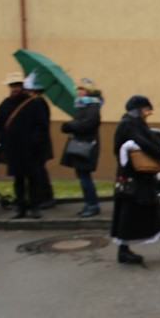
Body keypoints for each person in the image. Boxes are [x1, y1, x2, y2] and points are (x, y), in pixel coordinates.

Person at [111, 95, 160, 264]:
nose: (148, 113)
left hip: (143, 179)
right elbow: (144, 144)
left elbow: (150, 140)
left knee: (155, 209)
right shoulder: (128, 124)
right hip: (132, 180)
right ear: (138, 109)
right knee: (128, 214)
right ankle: (123, 251)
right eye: (146, 109)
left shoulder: (137, 124)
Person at [0, 72, 51, 219]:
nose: (15, 89)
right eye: (12, 86)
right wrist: (2, 140)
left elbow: (42, 125)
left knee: (33, 179)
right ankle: (20, 207)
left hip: (31, 150)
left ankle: (34, 206)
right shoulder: (5, 104)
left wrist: (35, 141)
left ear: (23, 87)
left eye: (17, 86)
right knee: (18, 180)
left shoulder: (34, 103)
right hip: (14, 149)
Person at [60, 78, 103, 218]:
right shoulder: (82, 106)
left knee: (85, 176)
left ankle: (92, 204)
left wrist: (71, 125)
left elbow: (88, 124)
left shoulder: (92, 106)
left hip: (87, 145)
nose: (79, 92)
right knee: (82, 175)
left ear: (88, 91)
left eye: (82, 89)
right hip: (81, 144)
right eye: (78, 89)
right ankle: (88, 203)